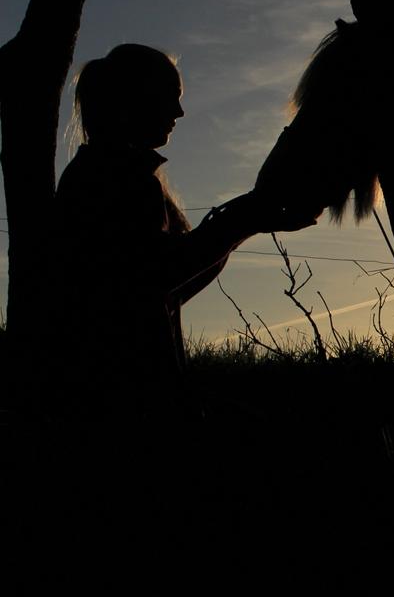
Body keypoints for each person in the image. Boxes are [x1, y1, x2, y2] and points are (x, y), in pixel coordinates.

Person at [54, 43, 317, 418]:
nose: (179, 112)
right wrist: (242, 217)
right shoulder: (115, 179)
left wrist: (246, 221)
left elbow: (171, 285)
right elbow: (155, 277)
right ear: (135, 98)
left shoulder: (104, 173)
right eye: (170, 97)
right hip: (122, 398)